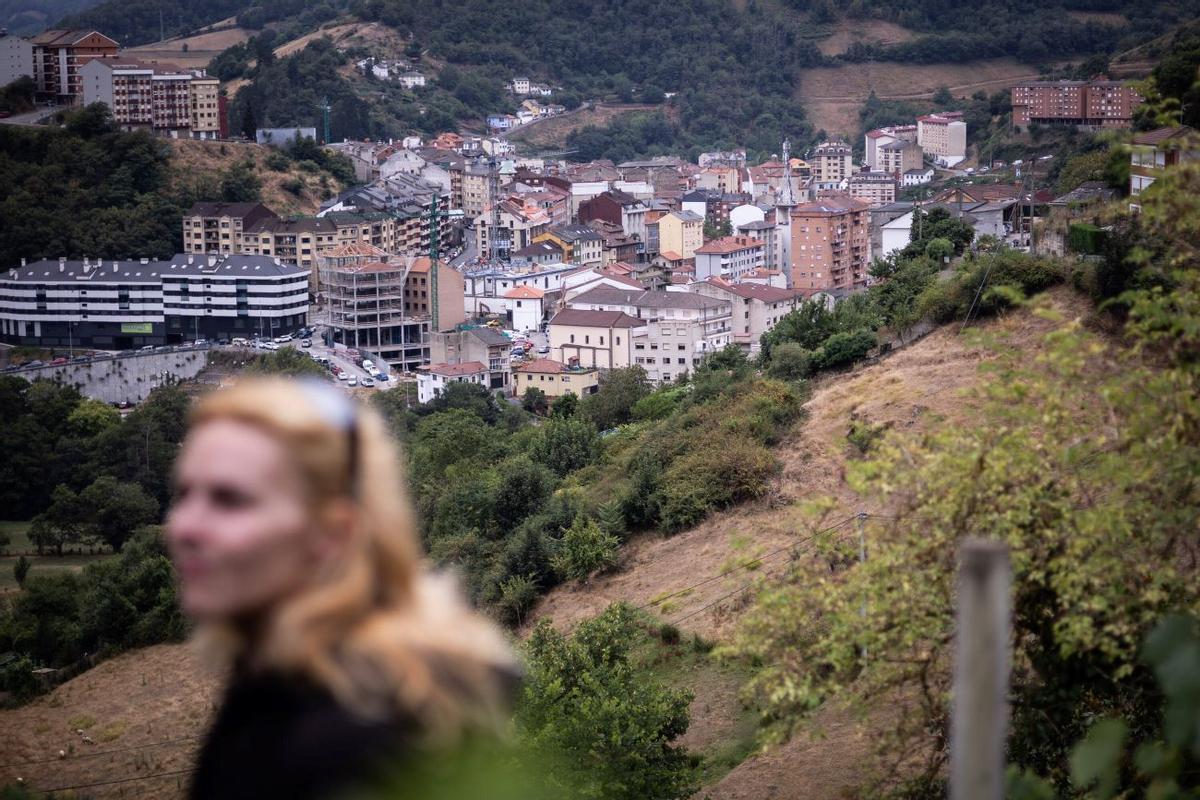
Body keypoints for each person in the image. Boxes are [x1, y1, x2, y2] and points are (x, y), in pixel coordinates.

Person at [166, 378, 516, 800]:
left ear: (333, 533)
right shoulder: (277, 683)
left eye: (229, 500)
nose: (183, 526)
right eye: (184, 494)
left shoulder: (347, 743)